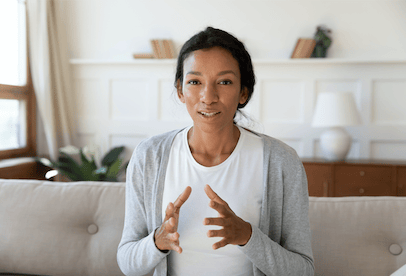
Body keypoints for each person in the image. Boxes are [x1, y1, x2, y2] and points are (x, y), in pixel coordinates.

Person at [117, 26, 314, 276]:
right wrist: (158, 240)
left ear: (244, 92)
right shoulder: (149, 156)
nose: (208, 97)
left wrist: (248, 236)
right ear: (180, 90)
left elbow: (303, 270)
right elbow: (127, 263)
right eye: (195, 81)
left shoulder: (281, 161)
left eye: (224, 81)